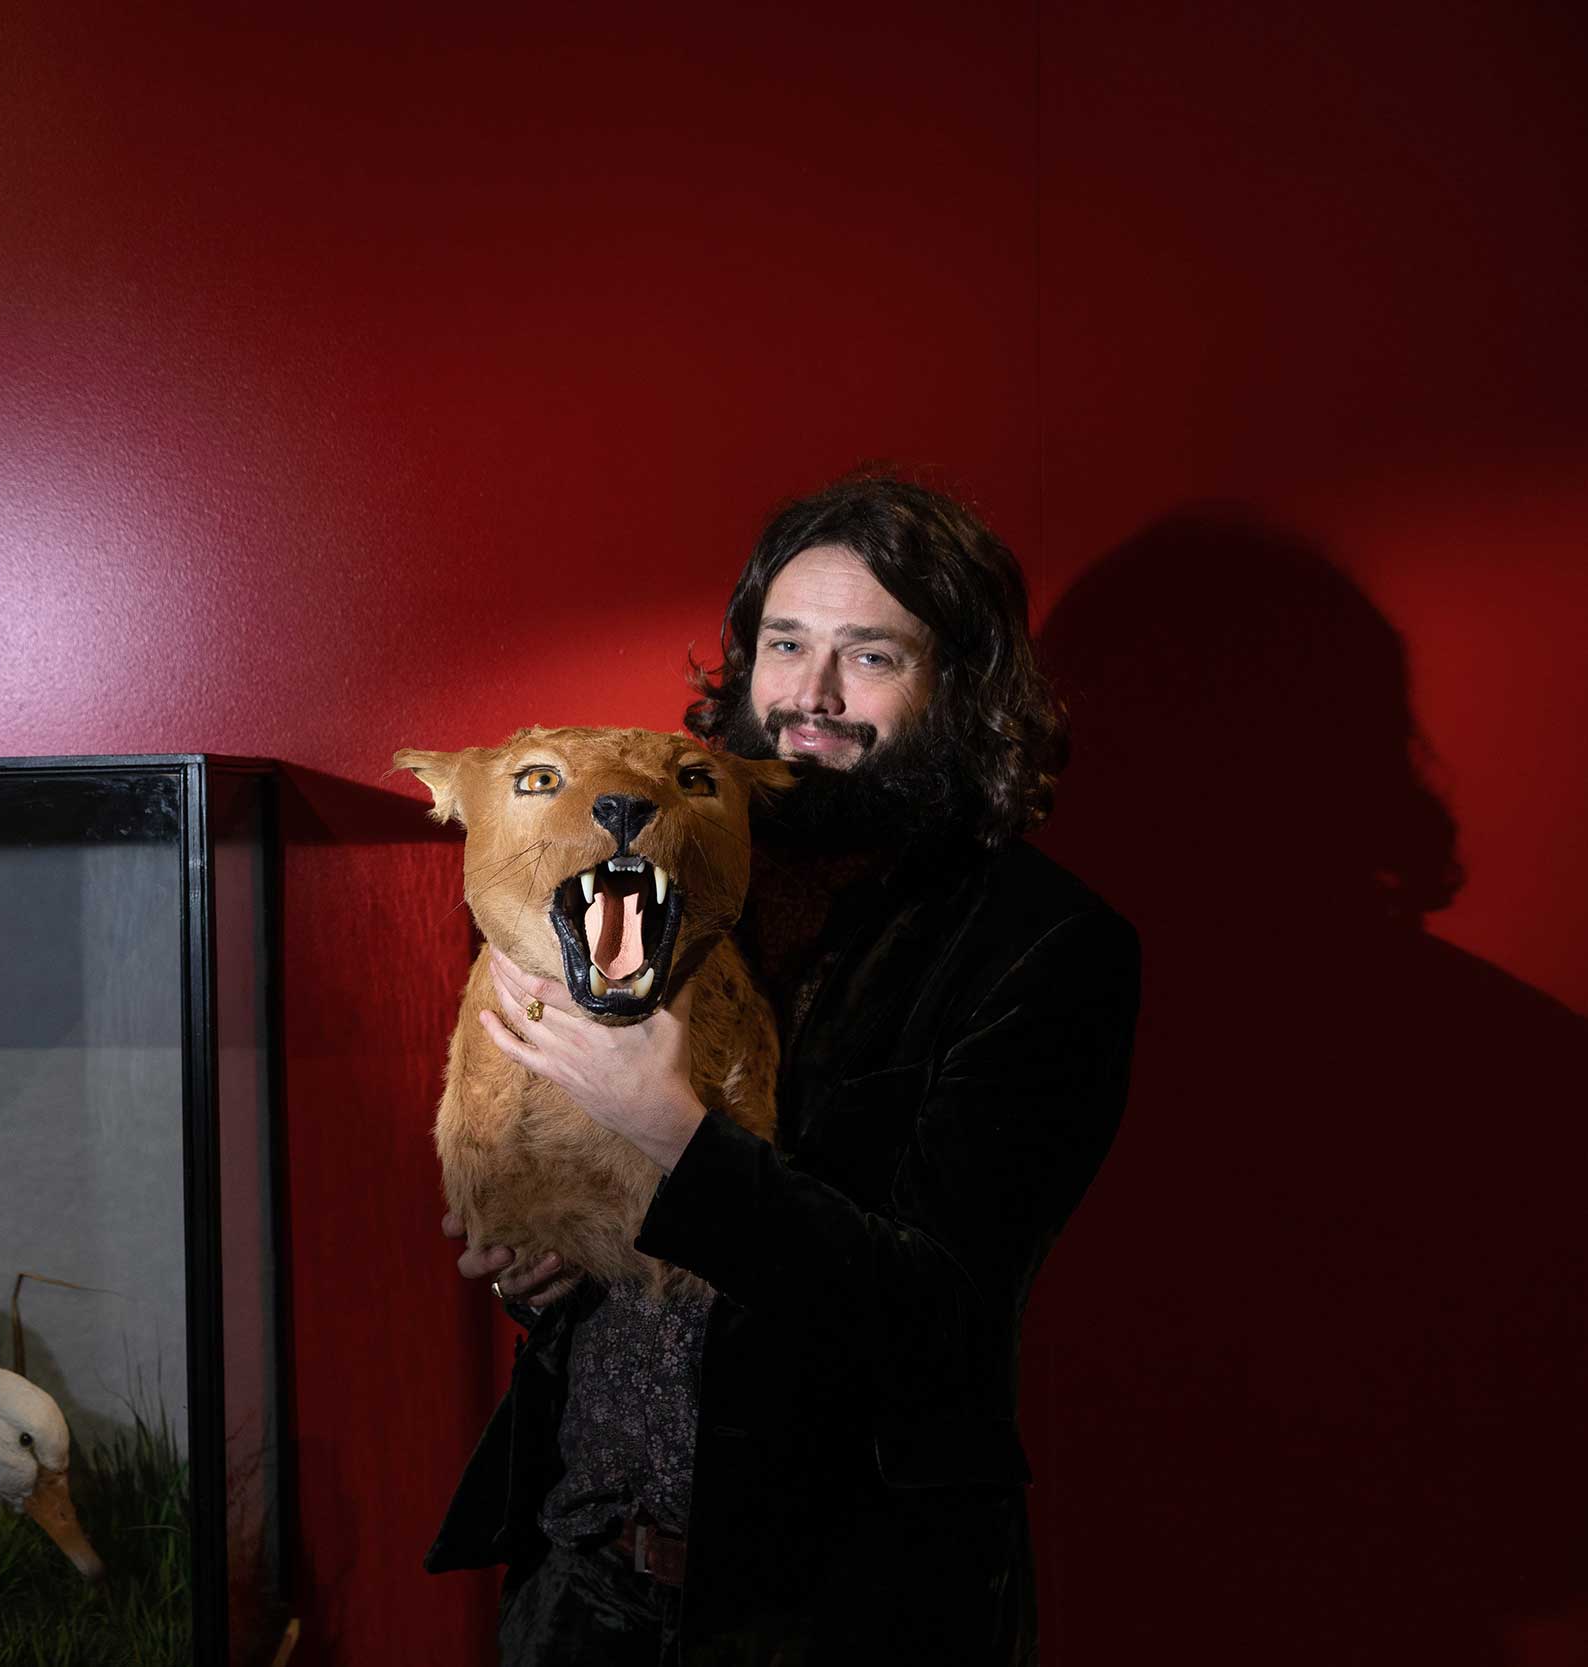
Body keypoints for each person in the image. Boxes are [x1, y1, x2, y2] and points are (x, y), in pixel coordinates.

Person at [424, 475, 1142, 1664]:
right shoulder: (668, 871)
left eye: (870, 655)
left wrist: (670, 1130)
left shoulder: (1045, 947)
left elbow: (941, 1321)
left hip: (841, 1615)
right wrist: (536, 1266)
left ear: (961, 684)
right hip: (580, 1584)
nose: (808, 697)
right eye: (785, 643)